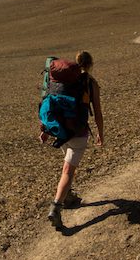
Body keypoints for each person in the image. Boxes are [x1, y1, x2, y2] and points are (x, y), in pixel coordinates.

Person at [44, 50, 104, 229]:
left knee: (67, 163)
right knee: (68, 171)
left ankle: (68, 197)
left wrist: (45, 128)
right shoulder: (90, 83)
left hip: (60, 130)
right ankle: (56, 207)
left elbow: (48, 100)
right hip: (78, 132)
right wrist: (100, 133)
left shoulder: (62, 81)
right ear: (90, 64)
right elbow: (97, 113)